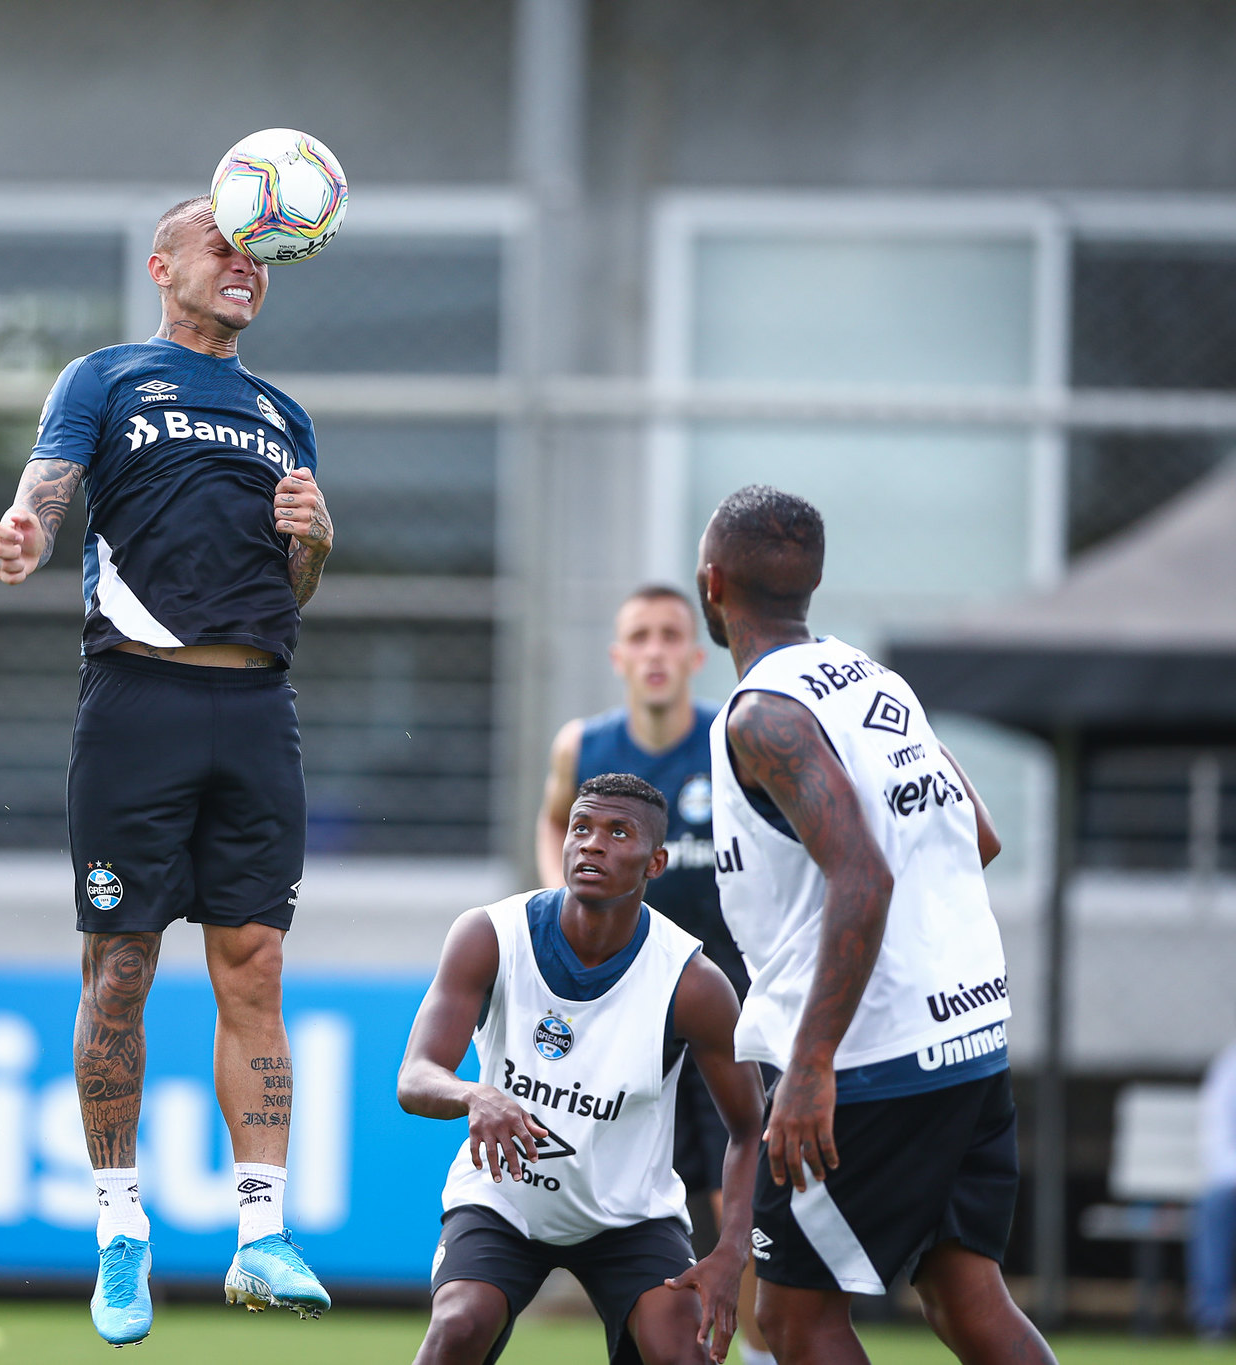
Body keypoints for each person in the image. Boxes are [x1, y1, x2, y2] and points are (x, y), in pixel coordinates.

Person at [0, 195, 335, 1345]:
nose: (246, 266)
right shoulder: (106, 379)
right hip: (136, 699)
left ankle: (259, 1234)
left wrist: (312, 547)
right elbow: (44, 488)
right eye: (223, 246)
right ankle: (119, 1229)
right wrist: (26, 531)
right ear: (162, 265)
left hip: (254, 706)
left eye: (261, 254)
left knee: (254, 963)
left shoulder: (285, 413)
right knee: (121, 971)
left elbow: (289, 594)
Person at [696, 484, 1055, 1365]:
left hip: (870, 1060)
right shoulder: (874, 680)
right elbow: (981, 834)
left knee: (792, 1322)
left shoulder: (764, 714)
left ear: (712, 585)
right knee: (967, 1297)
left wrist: (812, 1065)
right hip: (971, 1032)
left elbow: (863, 872)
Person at [400, 773, 767, 1364]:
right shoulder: (490, 935)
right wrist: (474, 1096)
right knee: (459, 1326)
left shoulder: (693, 983)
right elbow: (416, 1077)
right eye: (581, 828)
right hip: (504, 1203)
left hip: (631, 1218)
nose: (592, 844)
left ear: (656, 863)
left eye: (618, 832)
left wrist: (731, 1252)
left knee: (682, 1353)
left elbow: (750, 1128)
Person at [534, 584, 773, 1364]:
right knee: (639, 1191)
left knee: (733, 1191)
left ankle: (760, 1349)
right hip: (625, 1006)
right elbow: (550, 817)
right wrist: (562, 901)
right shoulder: (584, 745)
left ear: (696, 655)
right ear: (619, 656)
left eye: (672, 635)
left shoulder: (730, 740)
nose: (657, 650)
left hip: (720, 998)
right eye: (640, 636)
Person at [1190, 1037, 1236, 1339]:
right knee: (1217, 1202)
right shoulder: (1230, 1065)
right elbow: (1215, 1132)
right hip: (1231, 1179)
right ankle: (1213, 1317)